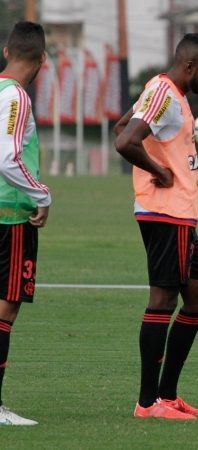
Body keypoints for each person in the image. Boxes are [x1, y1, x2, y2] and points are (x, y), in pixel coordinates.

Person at [114, 33, 198, 421]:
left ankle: (168, 394)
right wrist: (159, 171)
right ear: (189, 66)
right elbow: (125, 140)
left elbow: (125, 123)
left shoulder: (171, 96)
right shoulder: (164, 90)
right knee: (162, 301)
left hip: (181, 217)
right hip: (163, 213)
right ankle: (147, 402)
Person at [0, 21, 51, 427]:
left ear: (5, 51)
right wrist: (41, 194)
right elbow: (9, 157)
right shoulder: (16, 96)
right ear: (43, 60)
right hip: (10, 214)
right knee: (6, 306)